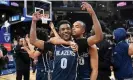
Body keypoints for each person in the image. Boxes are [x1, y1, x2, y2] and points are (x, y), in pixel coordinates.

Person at [49, 2, 103, 80]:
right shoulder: (69, 41)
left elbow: (95, 70)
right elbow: (53, 39)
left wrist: (93, 14)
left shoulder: (89, 44)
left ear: (83, 30)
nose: (73, 28)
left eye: (77, 26)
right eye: (72, 26)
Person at [30, 11, 78, 80]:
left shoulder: (77, 43)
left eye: (68, 29)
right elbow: (33, 41)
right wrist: (34, 22)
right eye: (63, 29)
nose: (65, 31)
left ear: (71, 30)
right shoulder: (53, 45)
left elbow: (97, 37)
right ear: (59, 32)